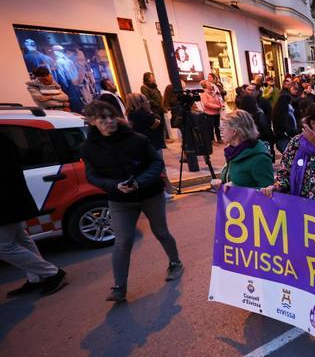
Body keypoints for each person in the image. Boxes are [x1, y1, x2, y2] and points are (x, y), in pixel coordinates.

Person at [80, 101, 183, 303]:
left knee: (161, 232)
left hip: (149, 195)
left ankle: (175, 262)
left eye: (112, 116)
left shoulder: (137, 139)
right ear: (92, 121)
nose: (110, 121)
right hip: (119, 200)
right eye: (103, 118)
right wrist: (114, 186)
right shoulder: (88, 148)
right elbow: (92, 176)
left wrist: (139, 182)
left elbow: (156, 163)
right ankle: (119, 287)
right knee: (123, 241)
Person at [1, 133, 67, 297]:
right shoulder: (4, 138)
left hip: (5, 203)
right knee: (21, 239)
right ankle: (37, 277)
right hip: (10, 201)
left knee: (4, 247)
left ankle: (51, 273)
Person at [210, 110, 274, 190]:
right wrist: (219, 183)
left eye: (223, 128)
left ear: (234, 131)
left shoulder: (259, 158)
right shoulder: (232, 152)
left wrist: (238, 189)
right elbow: (232, 180)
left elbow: (267, 192)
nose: (221, 132)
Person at [200, 79, 224, 144]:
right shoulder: (203, 93)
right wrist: (217, 106)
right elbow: (206, 103)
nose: (211, 85)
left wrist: (221, 104)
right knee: (210, 127)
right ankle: (212, 140)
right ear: (205, 85)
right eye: (209, 83)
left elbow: (219, 99)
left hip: (217, 112)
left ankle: (219, 139)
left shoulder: (214, 92)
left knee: (217, 126)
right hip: (209, 113)